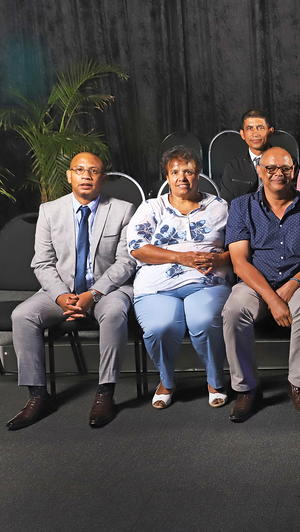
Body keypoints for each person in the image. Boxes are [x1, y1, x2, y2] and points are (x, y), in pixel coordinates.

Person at [6, 152, 136, 430]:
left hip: (107, 290)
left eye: (93, 171)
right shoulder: (50, 211)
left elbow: (126, 262)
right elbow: (41, 263)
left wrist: (94, 294)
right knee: (22, 315)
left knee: (115, 312)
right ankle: (37, 396)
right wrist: (61, 296)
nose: (86, 175)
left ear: (102, 178)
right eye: (79, 170)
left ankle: (105, 392)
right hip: (61, 292)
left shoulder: (123, 209)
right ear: (69, 175)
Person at [223, 147, 300, 421]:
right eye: (271, 168)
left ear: (294, 171)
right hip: (256, 282)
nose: (278, 174)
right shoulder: (241, 206)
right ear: (260, 170)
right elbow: (240, 263)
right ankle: (247, 389)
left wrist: (292, 285)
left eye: (285, 168)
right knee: (233, 310)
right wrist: (273, 299)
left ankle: (299, 385)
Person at [128, 146, 233, 409]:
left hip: (206, 282)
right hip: (157, 286)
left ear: (199, 175)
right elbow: (138, 248)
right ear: (167, 176)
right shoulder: (151, 208)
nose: (181, 178)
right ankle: (166, 380)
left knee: (205, 320)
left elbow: (240, 247)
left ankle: (214, 379)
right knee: (159, 327)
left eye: (188, 171)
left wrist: (219, 259)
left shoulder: (219, 207)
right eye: (175, 172)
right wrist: (180, 257)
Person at [220, 109, 274, 203]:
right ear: (242, 134)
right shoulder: (233, 167)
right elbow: (227, 203)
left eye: (260, 128)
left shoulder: (286, 163)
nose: (255, 134)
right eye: (249, 128)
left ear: (270, 131)